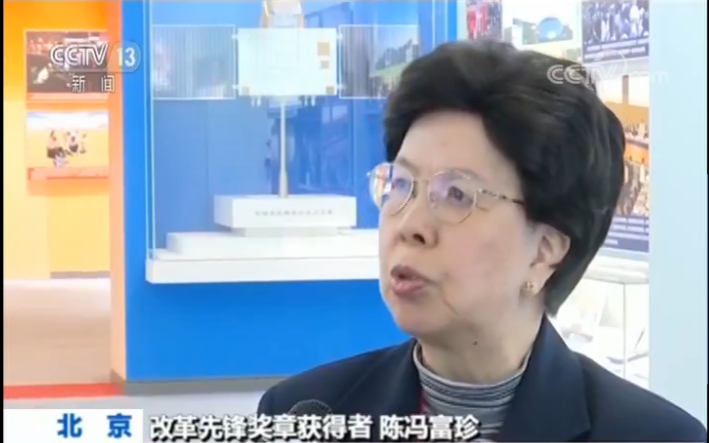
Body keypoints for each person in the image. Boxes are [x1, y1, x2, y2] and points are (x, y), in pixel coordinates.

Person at [257, 40, 707, 442]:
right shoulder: (303, 414)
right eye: (401, 184)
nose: (410, 225)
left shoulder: (656, 437)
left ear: (545, 251)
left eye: (456, 194)